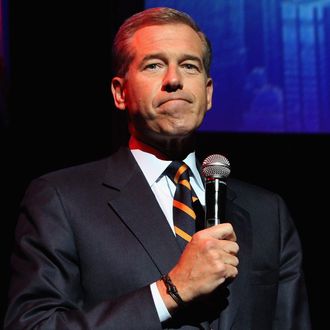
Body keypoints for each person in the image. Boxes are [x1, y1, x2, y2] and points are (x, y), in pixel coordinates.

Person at [4, 7, 311, 330]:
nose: (174, 80)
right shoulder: (62, 200)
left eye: (189, 66)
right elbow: (33, 325)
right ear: (120, 93)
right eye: (154, 65)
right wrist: (170, 292)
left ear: (208, 93)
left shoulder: (267, 212)